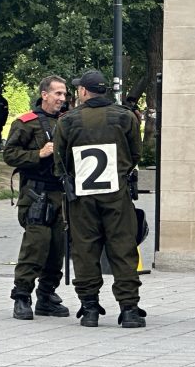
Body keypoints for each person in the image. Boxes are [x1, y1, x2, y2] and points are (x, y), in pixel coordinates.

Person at [53, 69, 144, 328]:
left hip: (82, 195)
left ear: (83, 91)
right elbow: (136, 153)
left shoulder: (68, 120)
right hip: (117, 193)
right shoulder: (125, 117)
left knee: (85, 250)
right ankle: (129, 309)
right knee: (123, 249)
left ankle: (89, 308)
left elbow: (60, 160)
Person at [3, 76, 70, 320]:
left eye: (64, 95)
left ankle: (47, 295)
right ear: (44, 94)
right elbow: (10, 154)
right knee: (35, 246)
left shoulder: (67, 122)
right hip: (36, 194)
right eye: (58, 94)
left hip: (61, 194)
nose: (62, 99)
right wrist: (38, 154)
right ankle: (22, 296)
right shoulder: (26, 123)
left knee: (57, 249)